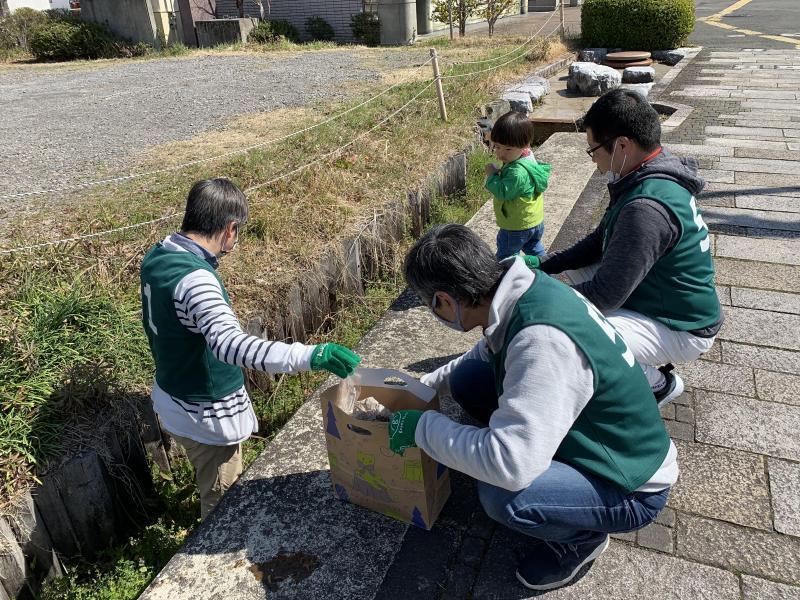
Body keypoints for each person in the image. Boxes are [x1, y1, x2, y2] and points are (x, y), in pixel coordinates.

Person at [389, 224, 677, 591]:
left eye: (431, 305)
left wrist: (421, 428)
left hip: (631, 487)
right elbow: (480, 354)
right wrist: (422, 386)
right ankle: (549, 465)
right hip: (604, 437)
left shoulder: (539, 341)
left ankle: (581, 540)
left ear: (444, 301)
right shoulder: (524, 291)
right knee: (467, 380)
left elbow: (510, 467)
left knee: (504, 495)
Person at [140, 178, 361, 519]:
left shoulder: (159, 255)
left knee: (205, 471)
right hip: (205, 416)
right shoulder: (197, 282)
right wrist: (311, 355)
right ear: (229, 229)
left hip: (173, 395)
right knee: (223, 502)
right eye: (238, 232)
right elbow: (231, 347)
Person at [539, 89, 723, 406]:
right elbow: (598, 243)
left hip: (683, 327)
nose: (594, 161)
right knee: (573, 279)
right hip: (667, 301)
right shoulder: (651, 171)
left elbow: (606, 294)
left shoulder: (645, 207)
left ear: (623, 145)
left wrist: (537, 299)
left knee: (572, 336)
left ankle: (658, 383)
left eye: (593, 150)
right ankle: (637, 352)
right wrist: (542, 266)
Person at [484, 111, 551, 261]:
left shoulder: (517, 172)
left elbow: (503, 192)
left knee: (506, 256)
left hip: (516, 226)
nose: (501, 153)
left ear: (524, 145)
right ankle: (547, 268)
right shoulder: (527, 157)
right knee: (534, 248)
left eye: (508, 149)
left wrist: (492, 175)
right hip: (534, 221)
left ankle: (504, 279)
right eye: (497, 147)